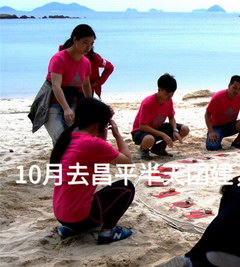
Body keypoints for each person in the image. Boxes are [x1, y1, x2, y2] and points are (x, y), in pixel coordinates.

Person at [51, 98, 135, 244]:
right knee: (126, 187)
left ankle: (72, 229)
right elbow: (127, 161)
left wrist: (103, 121)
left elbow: (100, 145)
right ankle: (107, 233)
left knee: (88, 195)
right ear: (98, 124)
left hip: (62, 215)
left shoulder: (70, 138)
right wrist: (117, 134)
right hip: (79, 218)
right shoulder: (92, 144)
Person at [30, 24, 95, 145]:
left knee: (77, 137)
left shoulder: (86, 62)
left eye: (91, 44)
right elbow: (56, 86)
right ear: (75, 40)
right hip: (52, 102)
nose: (88, 47)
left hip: (74, 100)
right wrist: (66, 109)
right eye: (85, 42)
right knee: (60, 137)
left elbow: (86, 85)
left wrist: (90, 104)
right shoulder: (59, 58)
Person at [131, 73, 190, 160]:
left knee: (184, 129)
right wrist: (163, 135)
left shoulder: (169, 100)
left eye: (171, 94)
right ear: (159, 90)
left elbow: (171, 117)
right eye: (167, 94)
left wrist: (175, 130)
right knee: (149, 139)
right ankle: (144, 150)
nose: (169, 97)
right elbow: (142, 126)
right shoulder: (148, 103)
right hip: (140, 132)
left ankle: (159, 148)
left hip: (157, 128)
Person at [205, 75, 240, 151]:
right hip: (216, 127)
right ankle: (214, 137)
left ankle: (236, 143)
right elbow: (207, 114)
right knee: (212, 147)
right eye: (234, 88)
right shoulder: (218, 97)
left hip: (231, 125)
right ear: (229, 86)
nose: (237, 91)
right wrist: (211, 131)